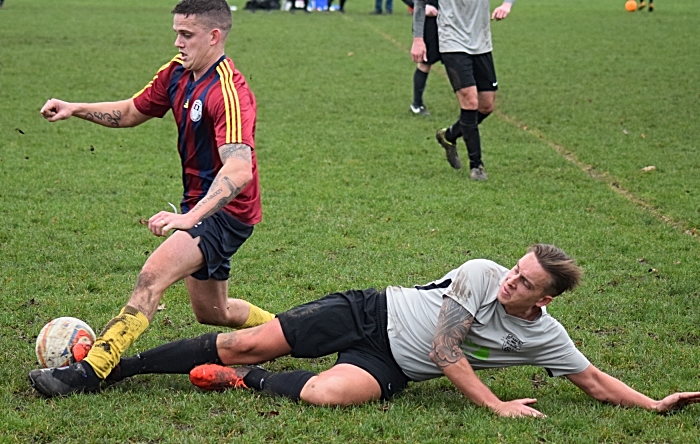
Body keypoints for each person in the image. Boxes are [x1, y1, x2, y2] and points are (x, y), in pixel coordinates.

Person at [32, 245, 700, 418]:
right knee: (242, 336)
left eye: (523, 284)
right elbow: (447, 350)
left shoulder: (545, 337)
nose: (509, 283)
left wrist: (654, 402)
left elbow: (590, 379)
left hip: (393, 368)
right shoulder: (477, 273)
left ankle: (246, 383)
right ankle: (109, 370)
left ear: (546, 299)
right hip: (370, 312)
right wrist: (495, 404)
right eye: (514, 271)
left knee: (326, 395)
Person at [28, 0, 275, 396]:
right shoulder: (177, 74)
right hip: (199, 207)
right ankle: (285, 327)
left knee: (151, 277)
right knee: (214, 312)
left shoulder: (229, 91)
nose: (177, 41)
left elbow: (240, 170)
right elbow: (130, 111)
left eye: (186, 34)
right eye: (176, 32)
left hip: (226, 211)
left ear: (214, 37)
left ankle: (90, 373)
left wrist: (190, 217)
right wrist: (76, 108)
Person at [411, 0, 515, 180]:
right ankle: (477, 166)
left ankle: (449, 135)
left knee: (486, 106)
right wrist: (418, 39)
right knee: (470, 100)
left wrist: (507, 4)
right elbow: (420, 4)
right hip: (452, 42)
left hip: (481, 43)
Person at [408, 0, 439, 116]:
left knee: (457, 61)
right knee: (425, 62)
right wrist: (418, 6)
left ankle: (468, 104)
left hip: (453, 22)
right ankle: (417, 104)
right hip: (429, 21)